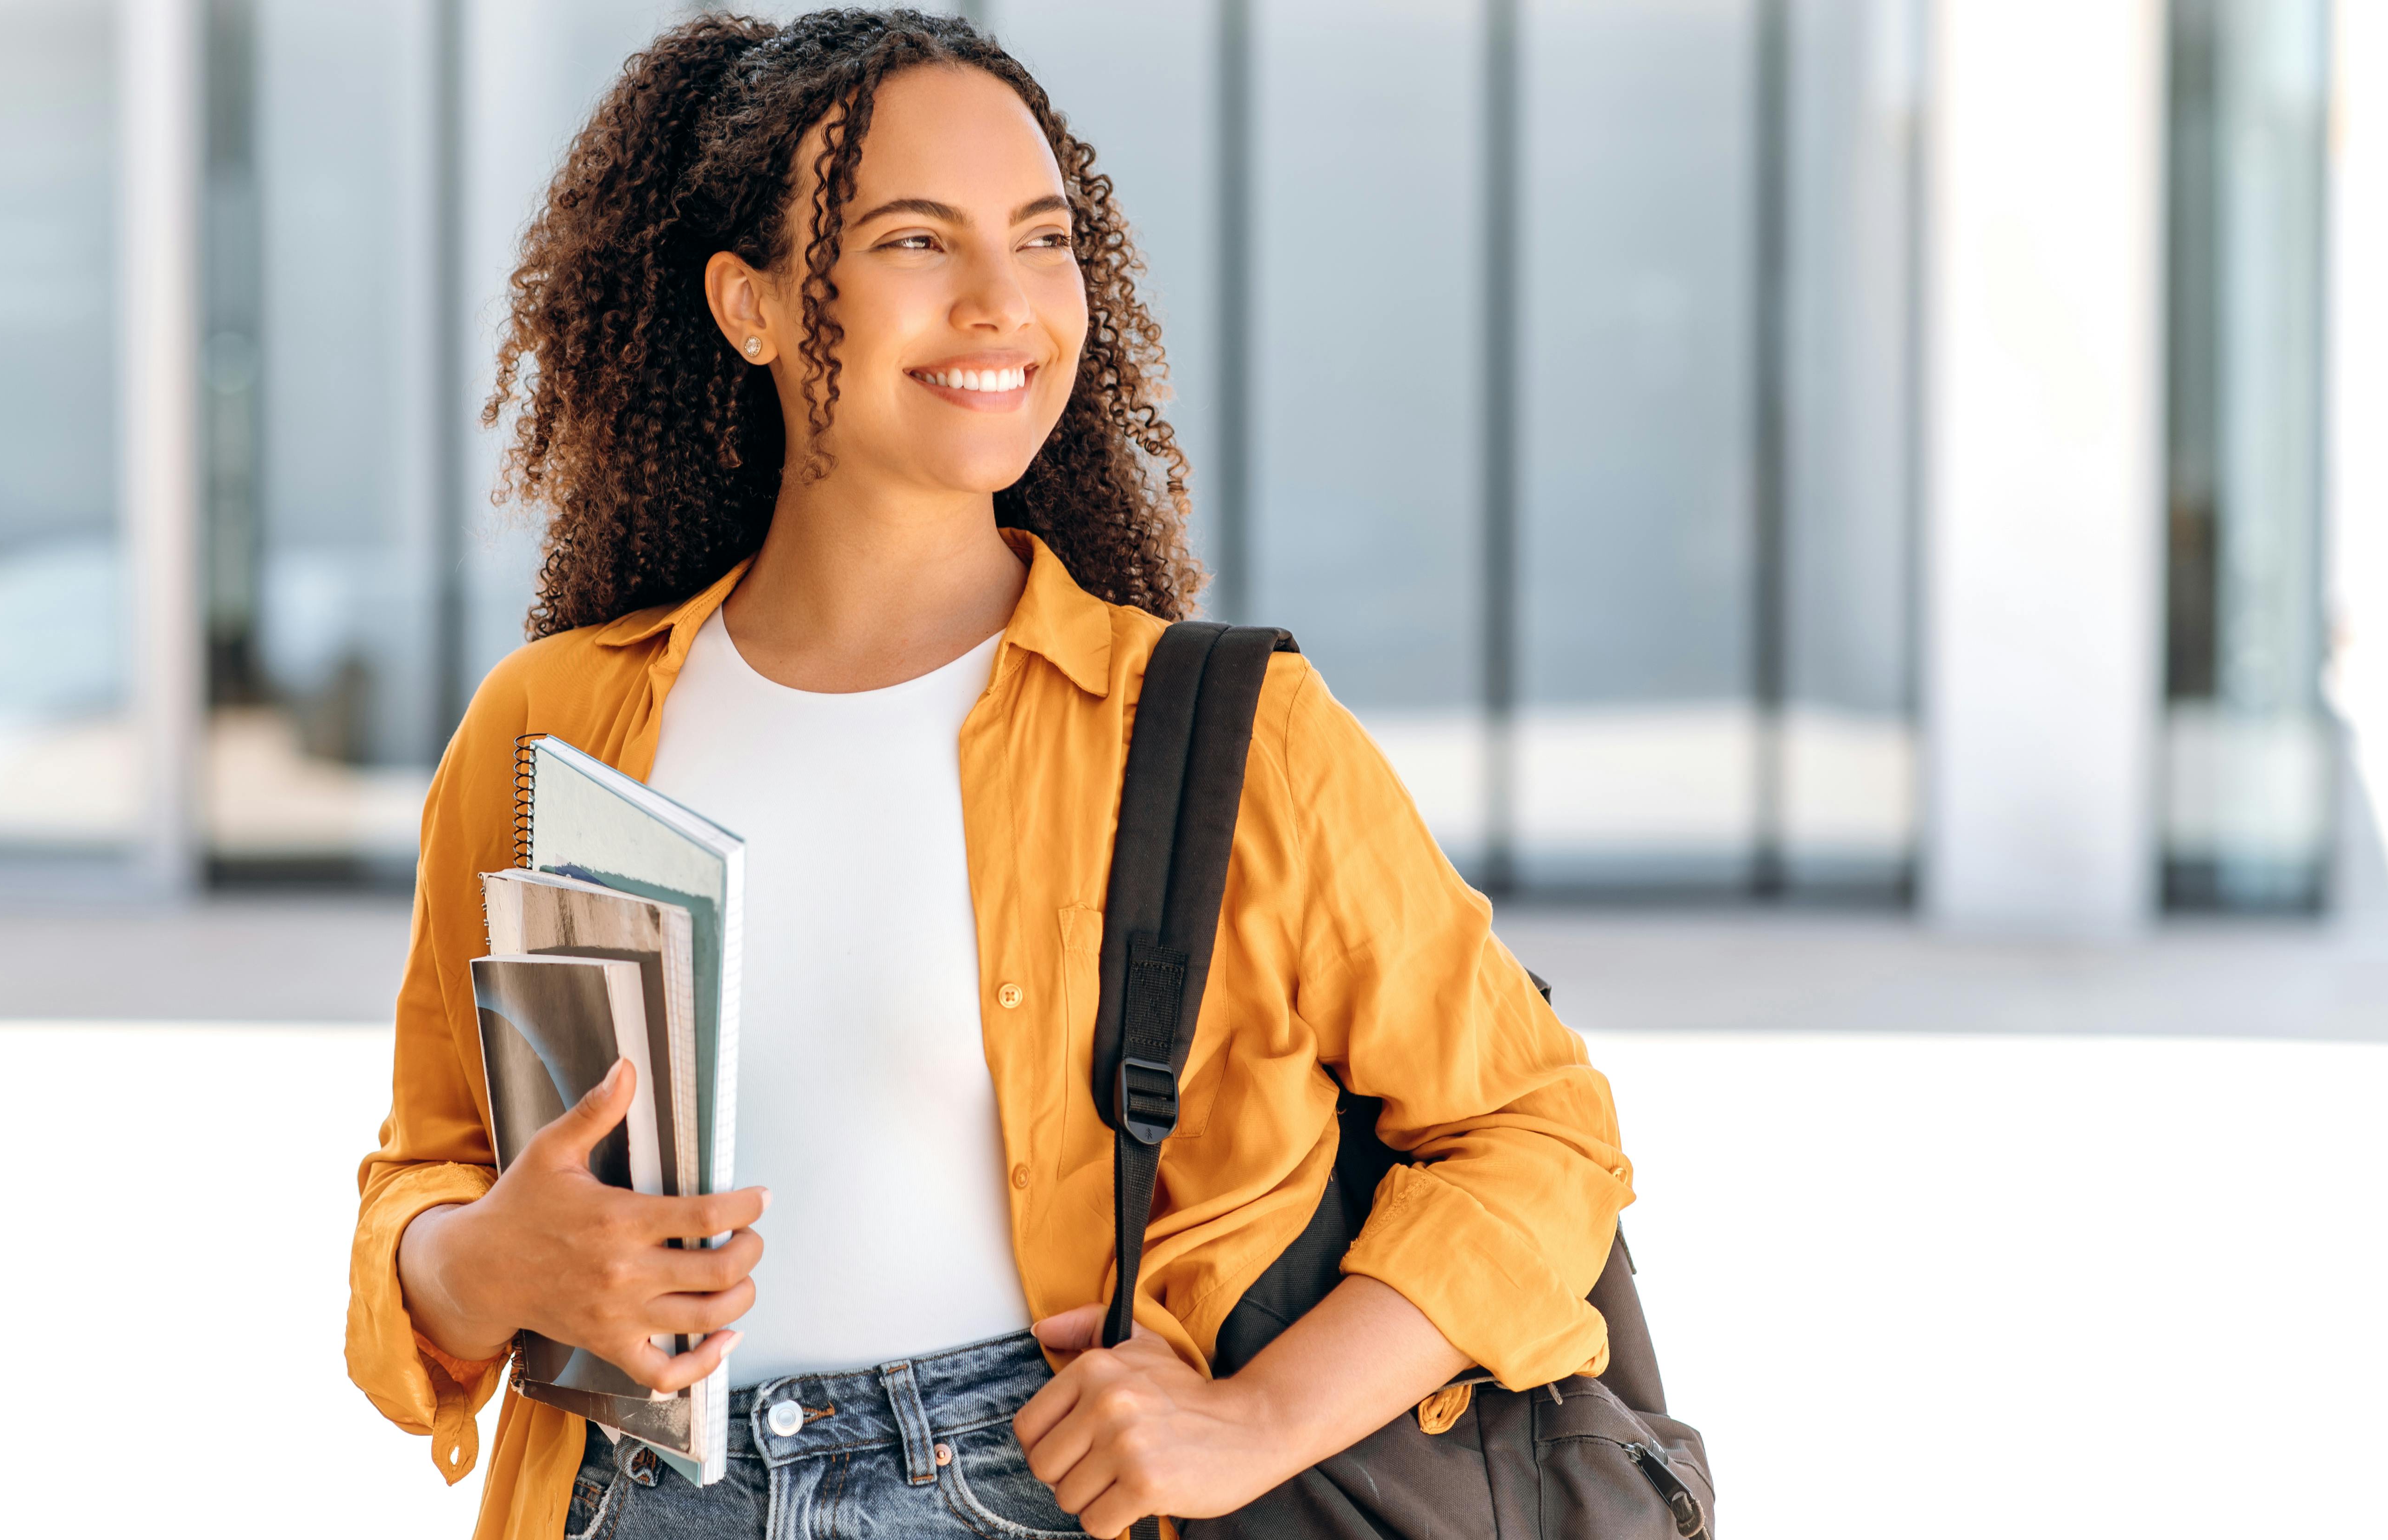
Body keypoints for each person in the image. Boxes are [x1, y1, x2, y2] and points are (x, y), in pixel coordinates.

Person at [347, 11, 1631, 1540]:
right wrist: (488, 1262)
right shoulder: (552, 731)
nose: (1005, 305)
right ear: (749, 307)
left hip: (1049, 1491)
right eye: (912, 241)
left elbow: (1542, 1137)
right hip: (633, 1497)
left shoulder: (1227, 732)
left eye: (1044, 240)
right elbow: (424, 1181)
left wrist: (1253, 1423)